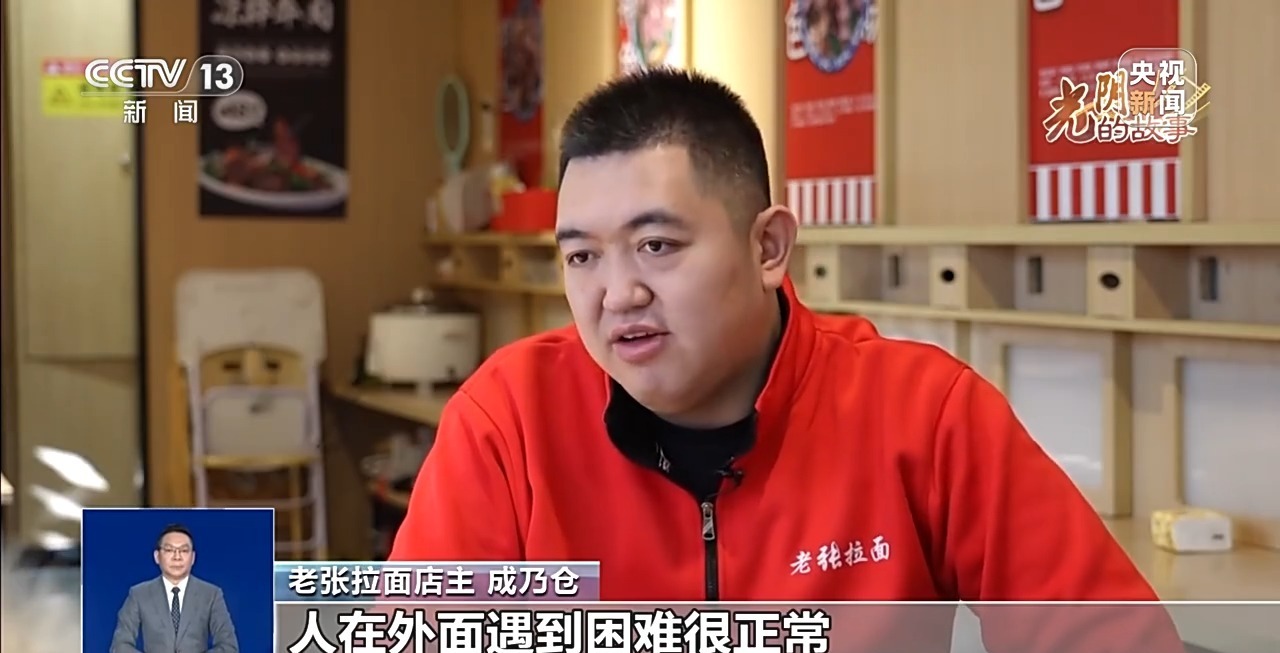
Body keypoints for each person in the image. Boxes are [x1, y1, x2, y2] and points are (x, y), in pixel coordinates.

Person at [391, 67, 1174, 622]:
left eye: (656, 245)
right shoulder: (510, 421)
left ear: (768, 246)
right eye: (581, 256)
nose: (617, 293)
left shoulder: (923, 414)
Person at [111, 523, 238, 653]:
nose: (177, 557)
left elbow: (229, 646)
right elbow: (120, 645)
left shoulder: (211, 594)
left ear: (193, 557)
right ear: (157, 556)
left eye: (184, 550)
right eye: (169, 550)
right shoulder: (139, 594)